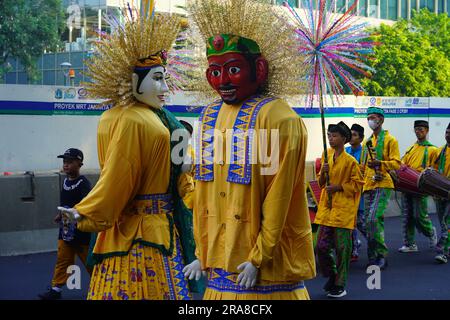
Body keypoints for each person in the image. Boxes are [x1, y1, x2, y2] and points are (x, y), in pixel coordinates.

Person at [58, 10, 202, 300]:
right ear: (134, 82)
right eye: (158, 79)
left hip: (152, 230)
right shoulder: (134, 120)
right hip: (146, 236)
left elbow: (180, 171)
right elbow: (116, 177)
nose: (164, 88)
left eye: (164, 79)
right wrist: (85, 212)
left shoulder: (149, 118)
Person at [184, 0, 316, 300]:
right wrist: (202, 253)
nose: (223, 81)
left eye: (233, 69)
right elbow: (204, 195)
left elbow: (279, 196)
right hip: (218, 274)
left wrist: (259, 257)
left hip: (264, 277)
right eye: (215, 72)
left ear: (258, 69)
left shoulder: (280, 118)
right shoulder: (207, 117)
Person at [315, 122, 364, 298]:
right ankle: (332, 274)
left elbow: (358, 185)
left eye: (334, 136)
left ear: (344, 139)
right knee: (320, 246)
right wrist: (323, 173)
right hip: (326, 209)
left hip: (344, 210)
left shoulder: (351, 161)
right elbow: (321, 183)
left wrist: (339, 187)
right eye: (329, 135)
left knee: (343, 249)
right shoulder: (326, 155)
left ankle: (340, 284)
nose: (330, 138)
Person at [38, 148, 92, 300]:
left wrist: (75, 213)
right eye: (64, 162)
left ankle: (102, 284)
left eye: (70, 162)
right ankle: (56, 289)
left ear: (79, 164)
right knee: (63, 259)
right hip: (66, 228)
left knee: (89, 261)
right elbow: (65, 203)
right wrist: (60, 215)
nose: (66, 165)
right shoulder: (66, 181)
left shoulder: (83, 183)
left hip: (81, 229)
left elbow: (87, 204)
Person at [360, 107, 401, 269]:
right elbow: (363, 166)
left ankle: (382, 254)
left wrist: (380, 164)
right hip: (368, 185)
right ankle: (374, 255)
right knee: (372, 223)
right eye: (368, 117)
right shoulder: (367, 142)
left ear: (381, 120)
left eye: (374, 117)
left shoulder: (391, 140)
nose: (371, 120)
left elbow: (397, 163)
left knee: (372, 219)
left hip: (383, 184)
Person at [398, 120, 437, 253]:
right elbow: (403, 163)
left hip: (421, 187)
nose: (418, 132)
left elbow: (434, 171)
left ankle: (431, 232)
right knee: (407, 215)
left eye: (421, 129)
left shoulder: (432, 150)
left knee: (419, 216)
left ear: (427, 131)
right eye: (416, 129)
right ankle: (410, 244)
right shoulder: (411, 148)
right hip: (407, 185)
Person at [345, 123, 365, 262]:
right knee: (350, 224)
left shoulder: (365, 153)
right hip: (345, 194)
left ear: (361, 138)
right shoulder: (344, 150)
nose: (351, 137)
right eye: (350, 134)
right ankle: (354, 248)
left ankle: (376, 245)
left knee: (361, 223)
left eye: (355, 135)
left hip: (360, 194)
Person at [431, 122, 450, 264]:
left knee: (447, 221)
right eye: (447, 132)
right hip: (440, 192)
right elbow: (434, 170)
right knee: (443, 222)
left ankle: (441, 250)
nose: (448, 135)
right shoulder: (439, 151)